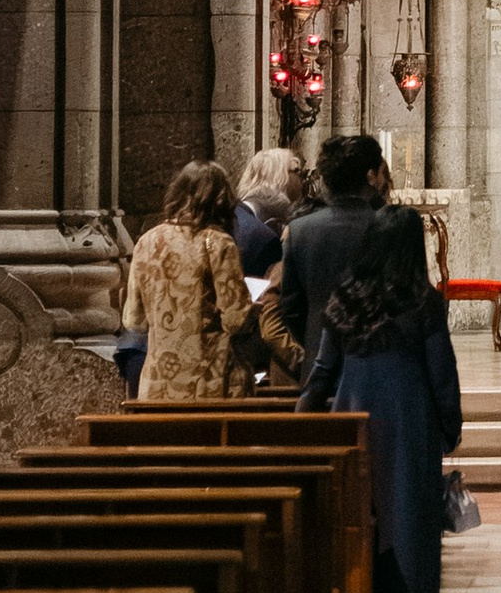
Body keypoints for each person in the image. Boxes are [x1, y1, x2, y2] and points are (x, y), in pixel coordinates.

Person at [301, 213, 463, 593]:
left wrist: (302, 418)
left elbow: (323, 369)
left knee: (364, 516)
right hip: (408, 419)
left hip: (355, 416)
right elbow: (440, 370)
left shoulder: (346, 299)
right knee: (409, 517)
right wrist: (450, 423)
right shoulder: (422, 301)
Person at [274, 132, 411, 374]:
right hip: (380, 363)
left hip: (318, 364)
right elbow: (408, 300)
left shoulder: (300, 230)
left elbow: (290, 309)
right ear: (371, 177)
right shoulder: (393, 227)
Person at [123, 161, 252, 402]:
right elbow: (236, 320)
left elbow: (134, 320)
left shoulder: (146, 242)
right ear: (221, 201)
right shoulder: (218, 244)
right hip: (208, 383)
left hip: (158, 385)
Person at [230, 147, 307, 386]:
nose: (303, 180)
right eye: (297, 171)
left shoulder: (238, 218)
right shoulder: (259, 235)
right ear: (278, 178)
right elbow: (264, 303)